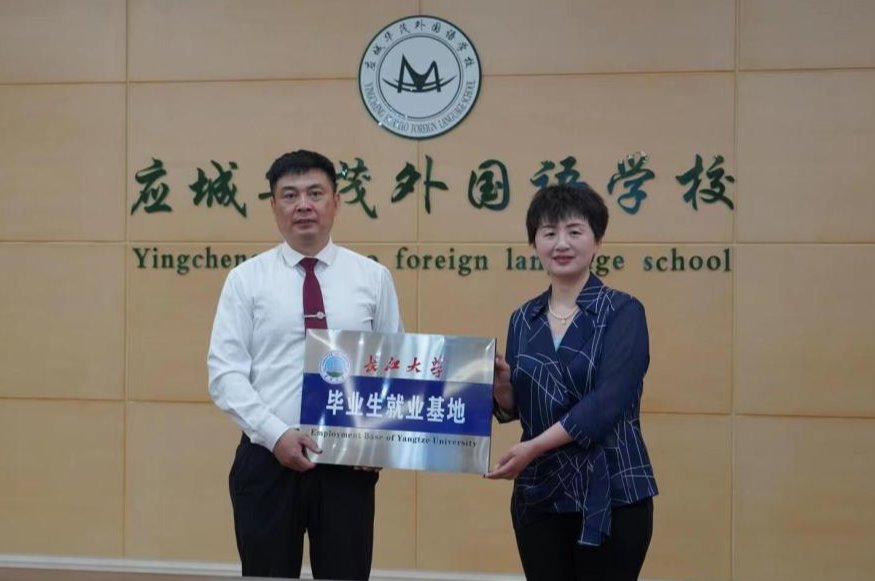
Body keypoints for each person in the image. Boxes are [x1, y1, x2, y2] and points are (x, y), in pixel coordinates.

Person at [207, 149, 403, 580]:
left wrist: (379, 439)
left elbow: (393, 370)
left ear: (336, 201)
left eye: (315, 193)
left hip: (348, 462)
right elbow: (225, 374)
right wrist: (276, 434)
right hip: (267, 457)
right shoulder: (246, 280)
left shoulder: (372, 278)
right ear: (273, 206)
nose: (303, 205)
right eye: (290, 195)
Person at [486, 184, 658, 581]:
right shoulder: (523, 318)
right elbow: (522, 408)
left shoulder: (623, 311)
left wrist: (532, 447)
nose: (561, 243)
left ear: (597, 240)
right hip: (540, 495)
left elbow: (605, 405)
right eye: (549, 233)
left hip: (613, 491)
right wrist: (503, 388)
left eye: (574, 231)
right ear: (535, 243)